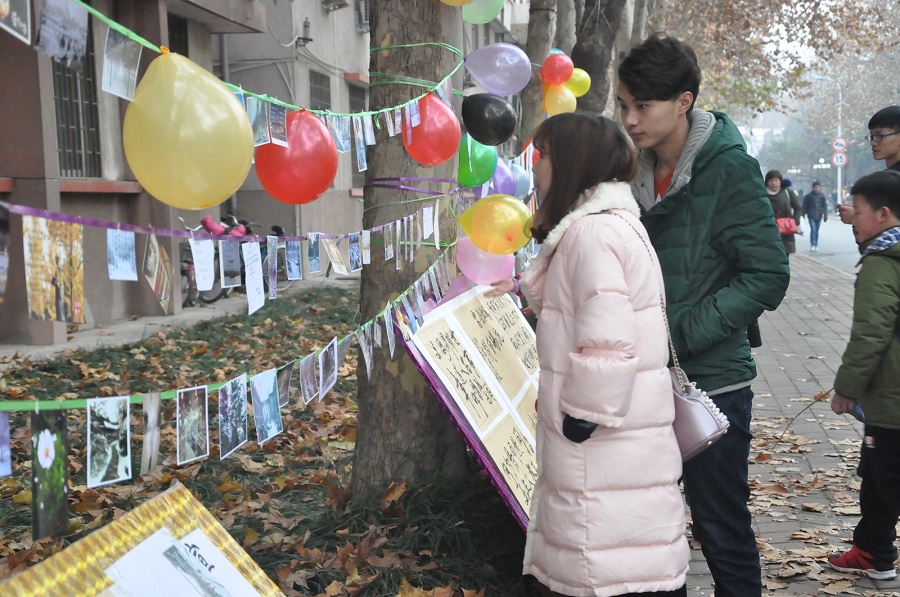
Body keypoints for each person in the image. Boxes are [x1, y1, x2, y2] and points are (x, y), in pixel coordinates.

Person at [617, 33, 790, 596]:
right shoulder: (627, 169)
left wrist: (682, 336)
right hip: (641, 381)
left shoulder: (730, 169)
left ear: (684, 102)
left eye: (643, 106)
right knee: (650, 526)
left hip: (711, 383)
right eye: (624, 105)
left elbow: (767, 274)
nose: (630, 119)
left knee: (719, 526)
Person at [489, 113, 689, 596]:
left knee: (599, 564)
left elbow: (608, 341)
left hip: (598, 450)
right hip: (622, 448)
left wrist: (580, 417)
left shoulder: (592, 235)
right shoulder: (616, 225)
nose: (536, 167)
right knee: (631, 557)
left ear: (572, 163)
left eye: (544, 155)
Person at [828, 170, 900, 580]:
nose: (851, 217)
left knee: (880, 480)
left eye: (857, 210)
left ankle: (873, 554)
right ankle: (872, 550)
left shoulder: (882, 262)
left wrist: (846, 390)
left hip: (892, 399)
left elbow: (871, 334)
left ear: (883, 214)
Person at [839, 106, 900, 224]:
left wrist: (857, 218)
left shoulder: (893, 180)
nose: (873, 142)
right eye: (871, 137)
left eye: (879, 136)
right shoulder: (888, 177)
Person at [764, 170, 803, 255]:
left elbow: (798, 208)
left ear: (780, 181)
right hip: (767, 231)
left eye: (776, 180)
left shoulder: (787, 192)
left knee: (784, 256)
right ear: (767, 182)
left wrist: (795, 220)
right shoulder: (761, 194)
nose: (774, 183)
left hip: (785, 231)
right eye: (771, 180)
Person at [803, 181, 829, 251]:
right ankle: (813, 244)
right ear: (813, 188)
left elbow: (825, 206)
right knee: (813, 230)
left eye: (818, 187)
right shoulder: (809, 196)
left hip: (819, 216)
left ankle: (816, 244)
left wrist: (825, 215)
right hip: (811, 215)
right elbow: (804, 206)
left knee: (817, 231)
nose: (817, 189)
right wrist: (803, 214)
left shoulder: (822, 196)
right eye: (816, 187)